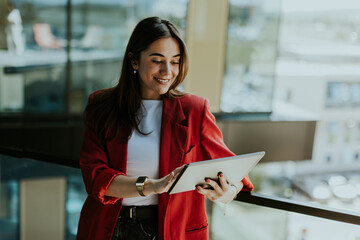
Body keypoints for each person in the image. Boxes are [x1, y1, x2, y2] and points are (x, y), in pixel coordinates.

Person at [77, 16, 253, 240]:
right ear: (134, 60)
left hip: (170, 230)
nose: (167, 71)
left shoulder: (194, 110)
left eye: (175, 61)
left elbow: (233, 170)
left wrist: (227, 193)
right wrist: (154, 186)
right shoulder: (101, 105)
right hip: (108, 228)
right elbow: (95, 177)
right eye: (157, 60)